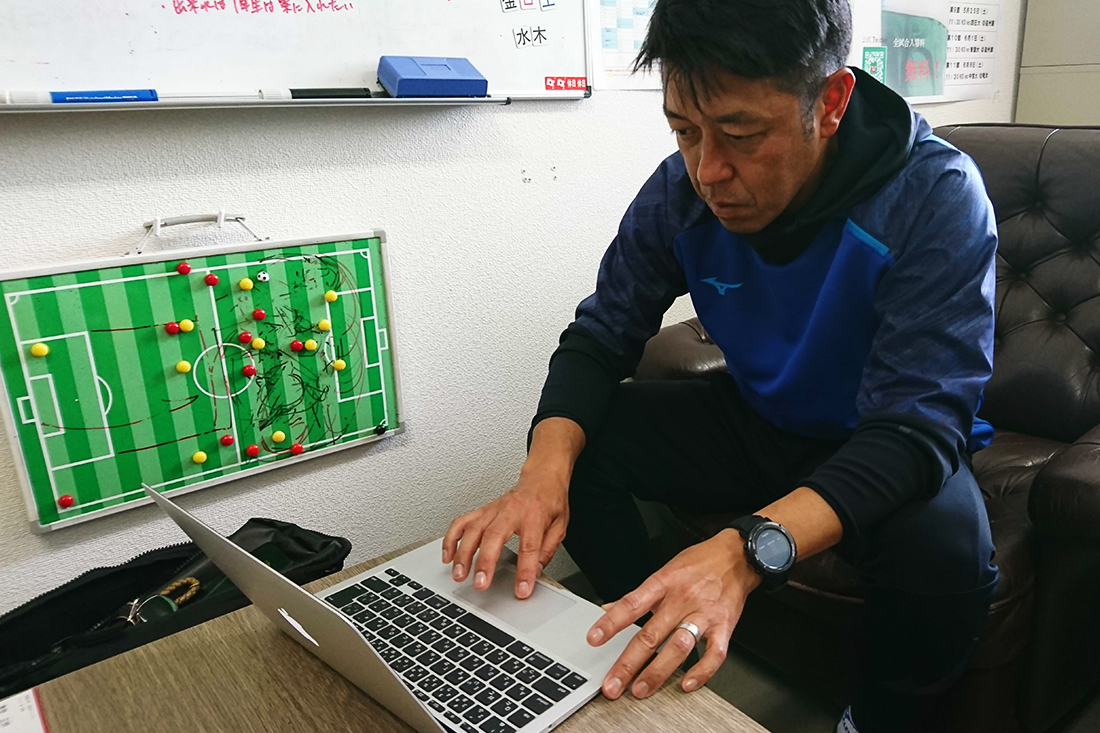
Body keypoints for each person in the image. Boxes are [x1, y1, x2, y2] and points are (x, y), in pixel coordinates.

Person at [443, 1, 1000, 730]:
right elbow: (602, 334)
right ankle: (649, 631)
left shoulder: (933, 195)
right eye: (684, 131)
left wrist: (745, 551)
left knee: (948, 555)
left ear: (831, 102)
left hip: (878, 442)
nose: (709, 171)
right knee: (583, 447)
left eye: (741, 135)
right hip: (761, 418)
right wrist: (540, 473)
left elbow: (917, 427)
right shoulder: (681, 191)